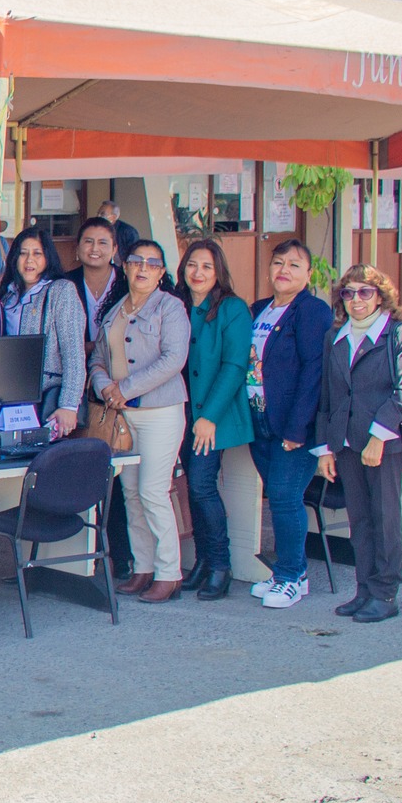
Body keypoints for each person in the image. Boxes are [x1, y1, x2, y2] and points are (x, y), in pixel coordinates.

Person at [314, 264, 402, 624]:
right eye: (349, 293)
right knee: (360, 520)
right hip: (345, 443)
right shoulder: (336, 337)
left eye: (365, 292)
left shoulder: (401, 335)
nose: (356, 300)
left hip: (383, 444)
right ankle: (363, 589)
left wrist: (379, 435)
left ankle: (385, 593)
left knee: (385, 519)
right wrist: (324, 448)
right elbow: (327, 397)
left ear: (381, 296)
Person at [89, 239, 191, 602]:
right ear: (126, 266)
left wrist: (126, 388)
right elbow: (98, 360)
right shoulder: (115, 310)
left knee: (152, 490)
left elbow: (174, 358)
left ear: (162, 272)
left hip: (160, 413)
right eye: (136, 262)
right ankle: (143, 567)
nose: (143, 268)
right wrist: (106, 389)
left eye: (152, 263)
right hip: (122, 416)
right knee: (130, 493)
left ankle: (169, 572)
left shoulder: (171, 307)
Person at [248, 240, 334, 610]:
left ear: (308, 274)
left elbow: (315, 372)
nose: (285, 270)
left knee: (285, 498)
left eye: (295, 265)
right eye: (279, 262)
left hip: (293, 427)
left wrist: (297, 430)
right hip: (259, 419)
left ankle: (291, 578)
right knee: (277, 496)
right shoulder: (258, 309)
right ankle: (290, 571)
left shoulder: (313, 311)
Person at [175, 239, 253, 602]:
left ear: (218, 270)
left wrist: (208, 418)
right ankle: (205, 562)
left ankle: (221, 564)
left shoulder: (233, 308)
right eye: (192, 264)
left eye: (206, 266)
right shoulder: (176, 304)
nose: (198, 272)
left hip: (212, 415)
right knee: (192, 486)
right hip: (180, 412)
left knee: (203, 486)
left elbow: (235, 366)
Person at [67, 215, 132, 575]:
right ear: (77, 249)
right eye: (88, 242)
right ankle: (76, 558)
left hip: (117, 390)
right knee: (77, 472)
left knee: (116, 477)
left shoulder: (128, 283)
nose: (94, 248)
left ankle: (118, 557)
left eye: (102, 242)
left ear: (115, 250)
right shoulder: (64, 284)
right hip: (77, 390)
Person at [0, 228, 86, 438]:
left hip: (48, 400)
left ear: (48, 257)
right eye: (23, 253)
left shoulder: (61, 291)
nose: (29, 260)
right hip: (11, 401)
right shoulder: (8, 295)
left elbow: (73, 352)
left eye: (37, 253)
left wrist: (69, 405)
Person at [99, 199, 141, 264]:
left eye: (102, 214)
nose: (98, 216)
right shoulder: (98, 231)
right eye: (98, 213)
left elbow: (134, 256)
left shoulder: (128, 232)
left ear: (113, 217)